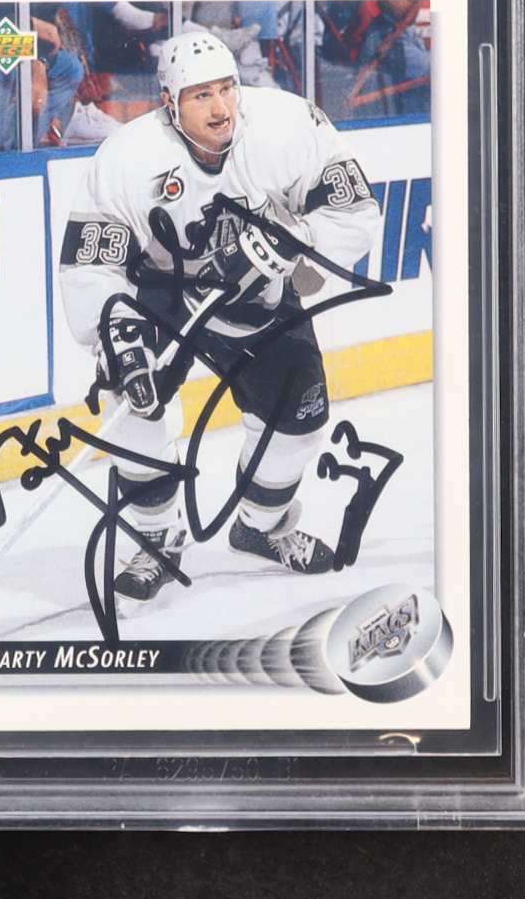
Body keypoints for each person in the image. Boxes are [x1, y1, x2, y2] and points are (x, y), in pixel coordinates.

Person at [58, 31, 380, 603]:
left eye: (227, 88)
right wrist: (117, 338)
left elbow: (354, 211)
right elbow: (92, 264)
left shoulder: (285, 125)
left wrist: (292, 247)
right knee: (134, 404)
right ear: (168, 101)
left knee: (301, 419)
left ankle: (260, 525)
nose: (220, 108)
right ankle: (158, 538)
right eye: (201, 95)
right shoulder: (128, 158)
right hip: (161, 291)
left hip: (260, 294)